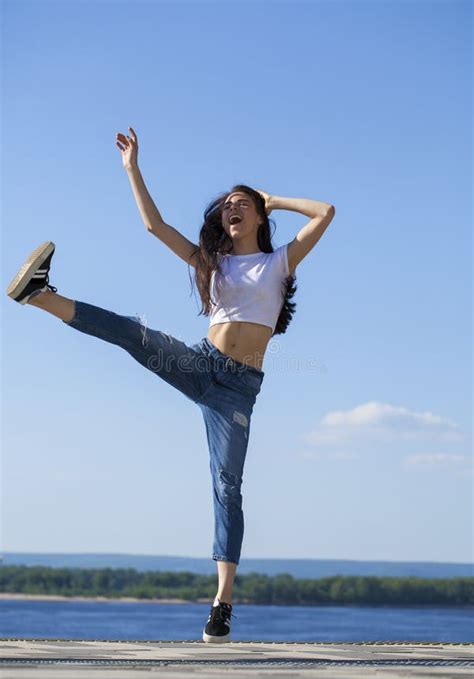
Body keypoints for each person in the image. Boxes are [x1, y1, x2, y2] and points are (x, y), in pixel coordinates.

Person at [6, 126, 335, 642]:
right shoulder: (214, 264)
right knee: (134, 335)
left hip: (236, 390)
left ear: (258, 216)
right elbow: (154, 225)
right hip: (199, 364)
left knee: (228, 488)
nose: (233, 208)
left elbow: (325, 213)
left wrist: (273, 198)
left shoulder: (279, 261)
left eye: (243, 203)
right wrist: (132, 168)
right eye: (227, 203)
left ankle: (222, 603)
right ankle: (41, 295)